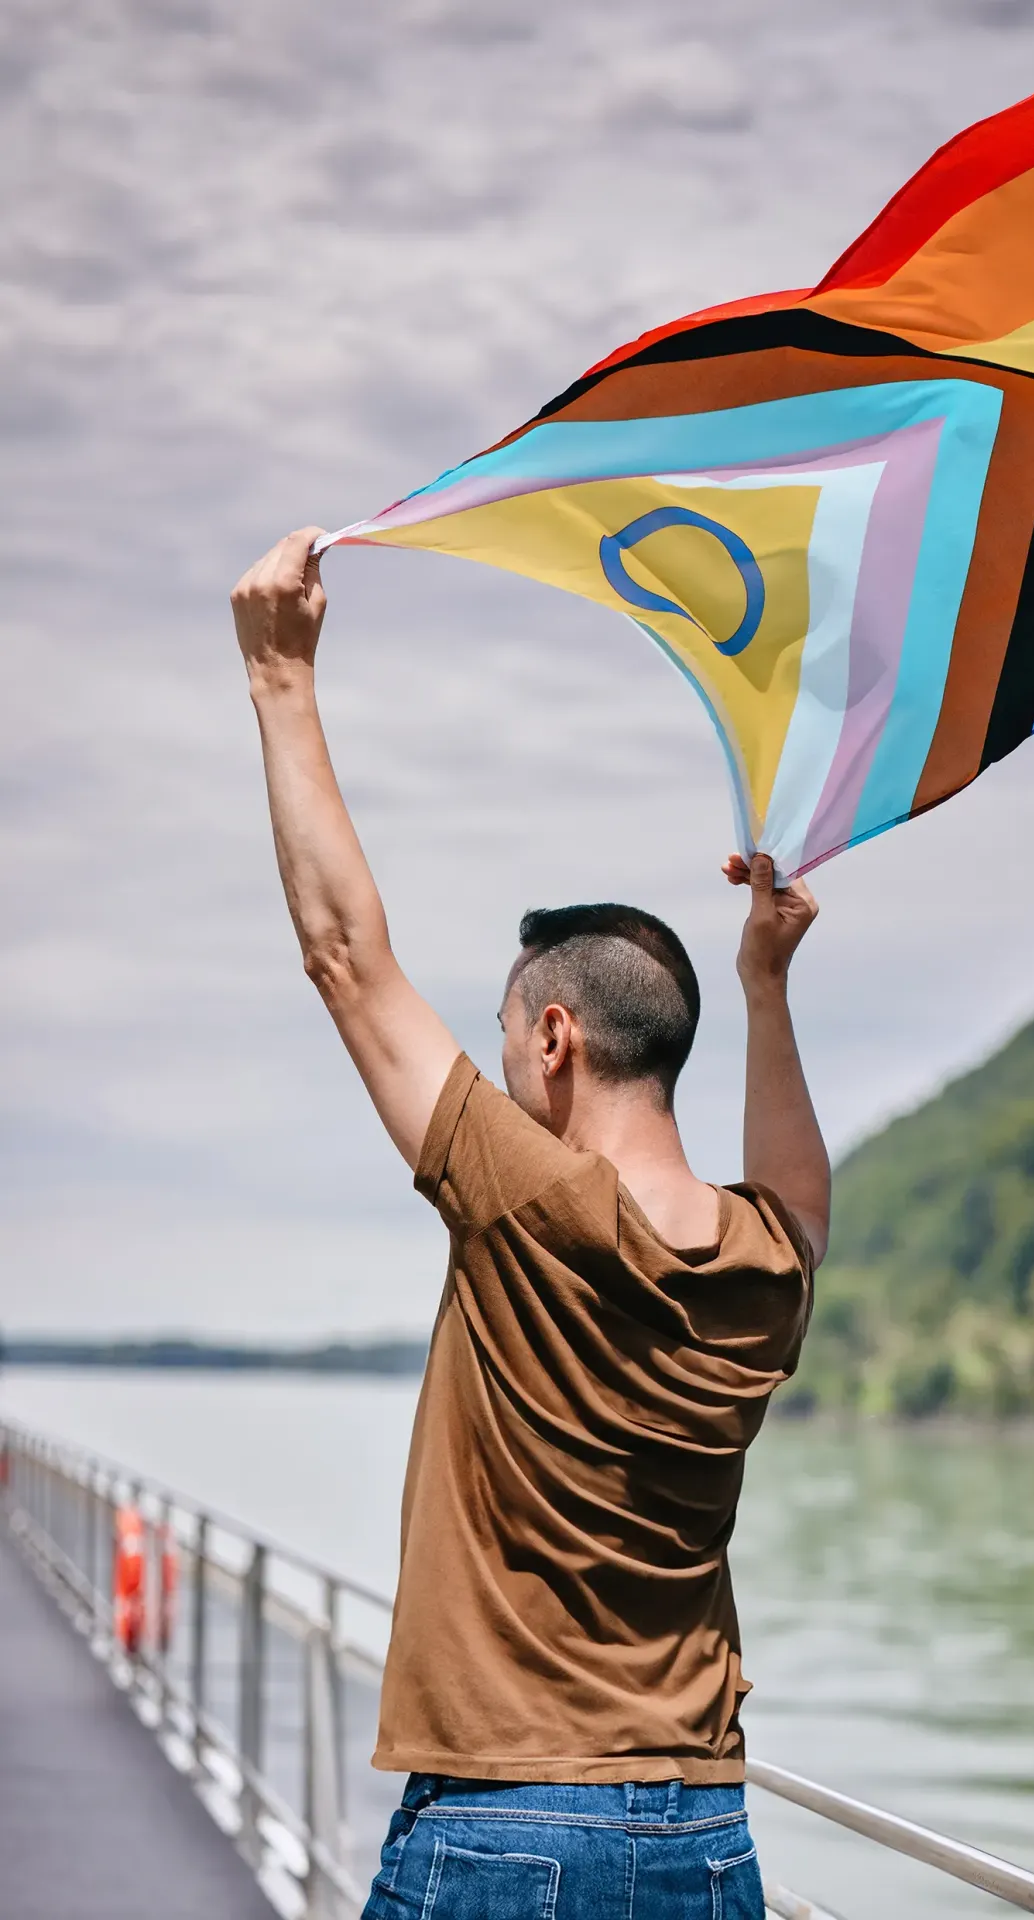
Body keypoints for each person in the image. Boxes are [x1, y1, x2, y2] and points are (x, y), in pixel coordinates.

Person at [231, 529, 828, 1920]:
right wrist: (769, 986)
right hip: (706, 1835)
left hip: (508, 1825)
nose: (498, 1066)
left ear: (556, 1035)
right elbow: (799, 1195)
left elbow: (343, 958)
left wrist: (280, 680)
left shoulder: (523, 1198)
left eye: (506, 1037)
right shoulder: (760, 1272)